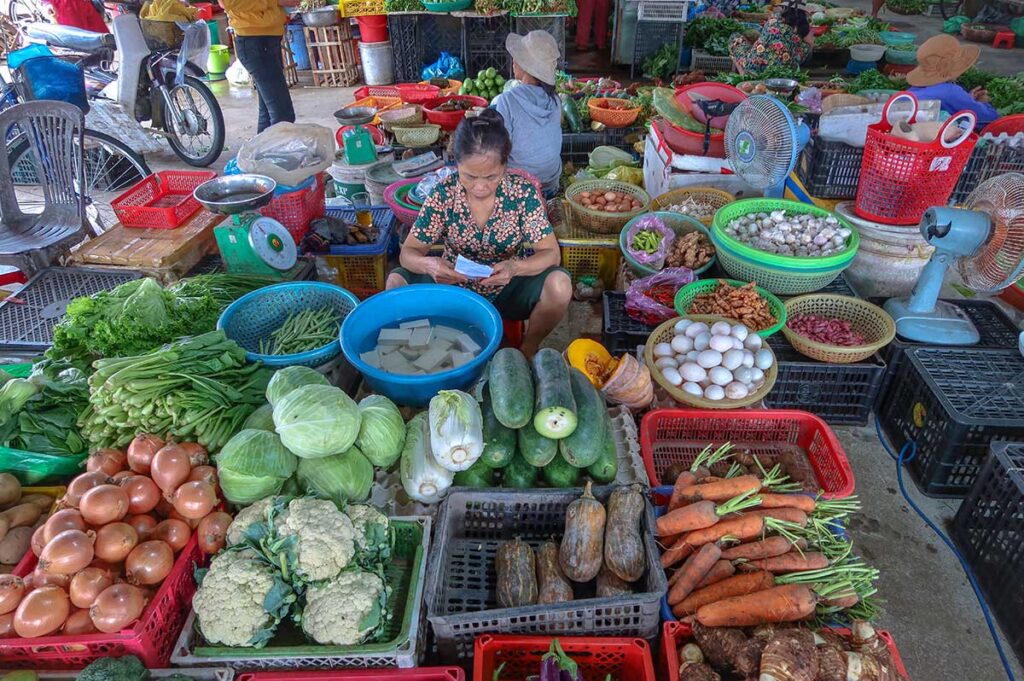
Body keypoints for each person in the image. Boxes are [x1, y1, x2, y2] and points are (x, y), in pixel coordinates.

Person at [386, 110, 572, 358]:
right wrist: (430, 264)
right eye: (470, 176)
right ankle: (420, 353)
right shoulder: (444, 193)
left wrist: (514, 268)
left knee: (559, 285)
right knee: (396, 282)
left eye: (491, 176)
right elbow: (408, 254)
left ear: (505, 165)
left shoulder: (522, 193)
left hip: (507, 286)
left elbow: (551, 254)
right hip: (453, 285)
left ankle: (528, 349)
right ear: (456, 164)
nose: (480, 186)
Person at [491, 31, 562, 199]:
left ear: (525, 65)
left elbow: (500, 150)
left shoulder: (507, 100)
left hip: (522, 193)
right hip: (551, 186)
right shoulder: (555, 100)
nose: (514, 61)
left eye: (518, 57)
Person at [219, 0, 296, 133]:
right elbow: (227, 3)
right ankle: (274, 152)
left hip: (269, 38)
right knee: (283, 116)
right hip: (252, 42)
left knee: (268, 113)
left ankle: (261, 151)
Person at [906, 34, 999, 129]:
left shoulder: (912, 90)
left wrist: (967, 99)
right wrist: (984, 103)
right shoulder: (951, 91)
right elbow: (989, 119)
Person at [728, 4, 813, 76]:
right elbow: (809, 48)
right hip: (783, 73)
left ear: (784, 8)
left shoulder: (774, 18)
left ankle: (743, 73)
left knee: (735, 37)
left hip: (753, 66)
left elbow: (767, 35)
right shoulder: (803, 27)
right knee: (805, 47)